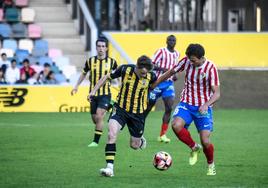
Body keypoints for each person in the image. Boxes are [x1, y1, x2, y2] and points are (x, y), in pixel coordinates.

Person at [89, 55, 167, 177]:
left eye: (146, 72)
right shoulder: (125, 69)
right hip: (120, 109)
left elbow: (153, 86)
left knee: (134, 146)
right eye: (141, 72)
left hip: (138, 114)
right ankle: (109, 168)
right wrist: (93, 91)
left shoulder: (151, 76)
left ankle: (140, 140)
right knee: (111, 135)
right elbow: (106, 77)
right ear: (137, 66)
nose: (143, 74)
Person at [159, 43, 220, 176]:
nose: (191, 63)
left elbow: (217, 93)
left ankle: (211, 164)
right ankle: (194, 147)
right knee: (175, 125)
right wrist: (155, 83)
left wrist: (206, 104)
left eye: (193, 60)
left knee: (205, 141)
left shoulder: (210, 68)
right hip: (186, 103)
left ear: (201, 57)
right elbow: (170, 72)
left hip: (203, 108)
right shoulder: (187, 61)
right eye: (189, 59)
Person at [71, 37, 118, 147]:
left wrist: (120, 84)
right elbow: (83, 73)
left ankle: (95, 142)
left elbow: (118, 74)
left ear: (106, 48)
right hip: (92, 94)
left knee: (99, 116)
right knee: (95, 119)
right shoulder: (90, 61)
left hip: (105, 93)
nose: (101, 48)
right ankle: (111, 105)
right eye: (99, 46)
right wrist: (76, 86)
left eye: (103, 46)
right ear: (96, 48)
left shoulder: (112, 62)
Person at [144, 35, 180, 143]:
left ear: (176, 42)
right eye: (170, 40)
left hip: (168, 84)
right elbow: (151, 65)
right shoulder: (161, 51)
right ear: (166, 41)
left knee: (169, 108)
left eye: (173, 40)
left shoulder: (177, 53)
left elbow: (175, 68)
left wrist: (174, 75)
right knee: (148, 107)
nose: (172, 41)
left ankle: (162, 135)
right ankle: (138, 130)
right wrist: (166, 70)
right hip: (157, 83)